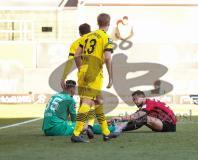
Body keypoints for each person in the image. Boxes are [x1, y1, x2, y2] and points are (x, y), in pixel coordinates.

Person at [71, 13, 116, 143]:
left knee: (99, 101)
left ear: (97, 23)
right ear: (108, 23)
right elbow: (107, 57)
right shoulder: (106, 38)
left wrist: (81, 69)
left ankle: (106, 132)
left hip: (84, 71)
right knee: (87, 102)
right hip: (94, 73)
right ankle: (76, 133)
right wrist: (111, 77)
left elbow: (76, 55)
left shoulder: (87, 36)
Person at [60, 23, 96, 139]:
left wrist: (63, 77)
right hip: (94, 74)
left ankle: (80, 128)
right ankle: (89, 125)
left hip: (81, 74)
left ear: (80, 33)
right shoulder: (95, 41)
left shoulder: (76, 43)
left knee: (83, 102)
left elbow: (70, 61)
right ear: (90, 31)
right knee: (92, 101)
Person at [109, 90, 177, 134]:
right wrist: (115, 121)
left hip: (169, 126)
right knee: (139, 118)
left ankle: (118, 129)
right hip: (161, 124)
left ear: (143, 98)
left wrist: (120, 119)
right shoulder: (145, 106)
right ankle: (116, 127)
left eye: (135, 99)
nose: (134, 101)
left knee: (143, 118)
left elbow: (137, 116)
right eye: (133, 100)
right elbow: (134, 117)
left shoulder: (149, 103)